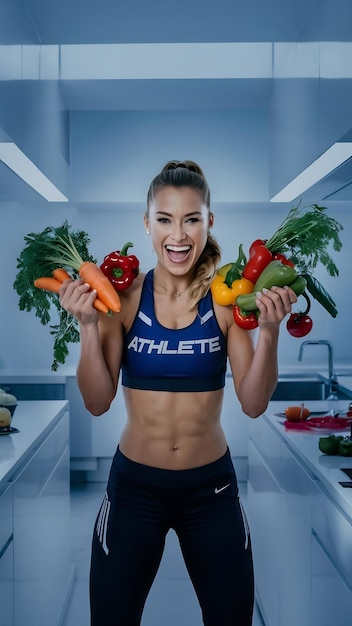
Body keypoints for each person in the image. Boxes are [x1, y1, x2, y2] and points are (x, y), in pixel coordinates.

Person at [59, 160, 297, 626]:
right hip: (134, 490)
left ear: (210, 222)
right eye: (165, 219)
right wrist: (89, 327)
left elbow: (252, 404)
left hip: (211, 490)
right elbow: (96, 400)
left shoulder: (227, 297)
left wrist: (269, 332)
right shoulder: (122, 299)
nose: (179, 234)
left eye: (192, 218)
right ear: (147, 224)